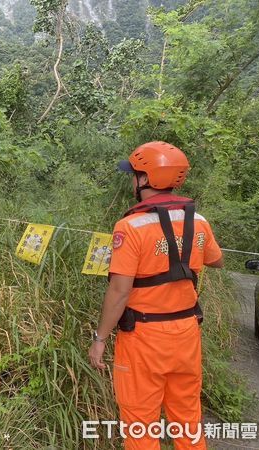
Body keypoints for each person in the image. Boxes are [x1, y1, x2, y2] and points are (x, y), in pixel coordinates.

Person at [88, 141, 224, 449]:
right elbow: (217, 260)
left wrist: (99, 339)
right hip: (186, 335)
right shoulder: (198, 221)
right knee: (187, 419)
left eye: (134, 173)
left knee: (140, 425)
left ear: (146, 179)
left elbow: (119, 291)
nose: (131, 179)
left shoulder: (130, 226)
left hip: (144, 340)